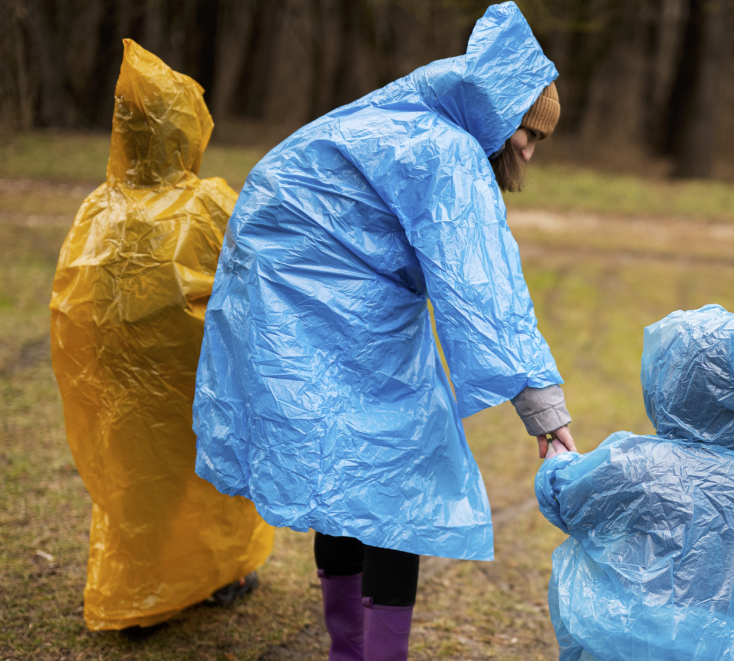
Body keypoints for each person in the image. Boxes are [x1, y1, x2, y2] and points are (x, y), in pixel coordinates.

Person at [191, 3, 573, 659]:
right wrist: (541, 407)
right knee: (401, 482)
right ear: (499, 113)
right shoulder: (446, 150)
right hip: (327, 298)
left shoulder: (402, 111)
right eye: (527, 132)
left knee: (348, 474)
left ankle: (349, 647)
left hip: (282, 293)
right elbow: (481, 284)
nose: (528, 149)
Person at [49, 39, 274, 632]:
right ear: (185, 130)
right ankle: (215, 575)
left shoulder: (98, 210)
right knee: (203, 479)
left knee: (138, 485)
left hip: (123, 382)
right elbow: (255, 284)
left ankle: (144, 590)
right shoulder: (208, 205)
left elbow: (72, 305)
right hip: (192, 380)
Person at [535, 304, 734, 660]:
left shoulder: (634, 463)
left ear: (664, 384)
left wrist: (557, 455)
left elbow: (565, 496)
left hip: (627, 646)